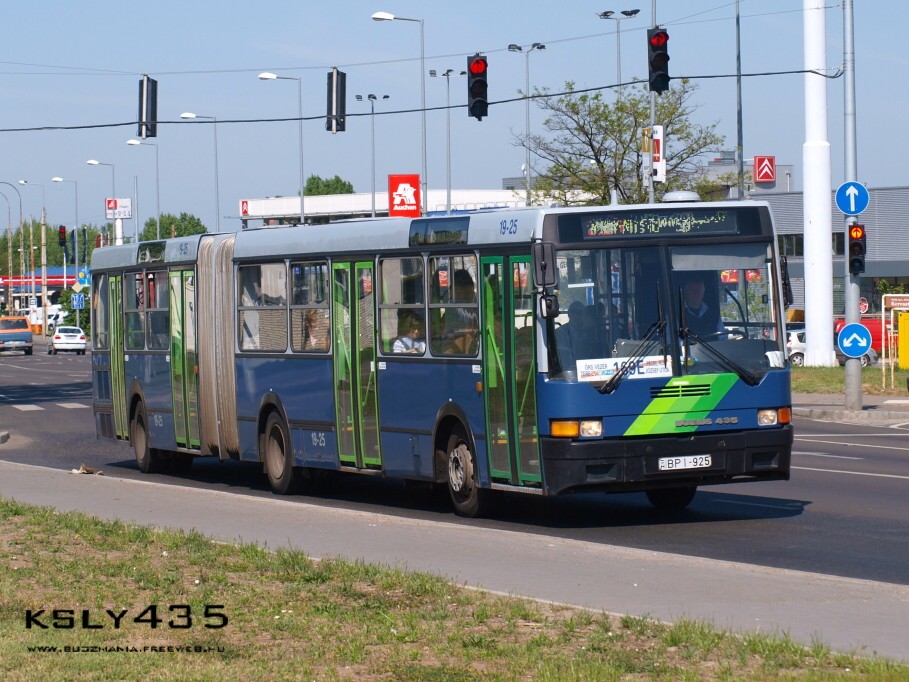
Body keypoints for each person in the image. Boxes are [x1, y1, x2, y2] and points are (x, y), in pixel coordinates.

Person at [681, 274, 723, 338]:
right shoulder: (676, 315)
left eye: (699, 290)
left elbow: (723, 337)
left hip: (712, 345)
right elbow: (673, 340)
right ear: (685, 292)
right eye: (692, 290)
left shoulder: (714, 314)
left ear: (703, 292)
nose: (696, 293)